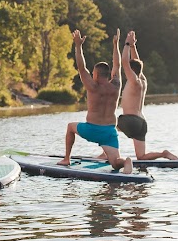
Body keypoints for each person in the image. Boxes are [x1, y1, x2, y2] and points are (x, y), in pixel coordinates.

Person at [57, 29, 133, 173]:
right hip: (110, 131)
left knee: (70, 127)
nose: (91, 74)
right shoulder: (116, 85)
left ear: (96, 74)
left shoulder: (92, 87)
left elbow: (81, 67)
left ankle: (67, 159)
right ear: (107, 74)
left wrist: (78, 46)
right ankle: (126, 162)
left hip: (92, 129)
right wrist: (115, 45)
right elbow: (117, 65)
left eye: (93, 73)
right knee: (115, 163)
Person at [118, 30, 178, 160]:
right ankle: (164, 154)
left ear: (132, 71)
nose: (125, 72)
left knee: (107, 125)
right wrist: (133, 46)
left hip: (130, 120)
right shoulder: (142, 81)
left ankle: (106, 154)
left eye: (128, 70)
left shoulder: (133, 81)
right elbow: (136, 62)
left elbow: (124, 61)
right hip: (141, 123)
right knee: (141, 156)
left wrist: (127, 44)